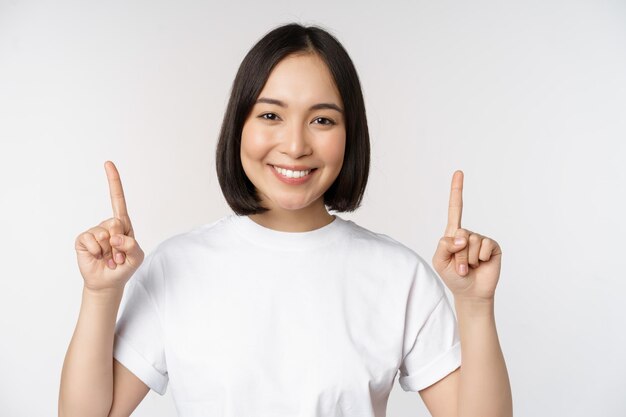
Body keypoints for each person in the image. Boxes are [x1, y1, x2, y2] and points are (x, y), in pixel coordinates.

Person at [59, 23, 512, 417]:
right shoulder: (176, 266)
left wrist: (474, 307)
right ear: (239, 125)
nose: (295, 145)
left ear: (350, 135)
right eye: (271, 115)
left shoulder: (398, 275)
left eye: (322, 120)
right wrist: (101, 293)